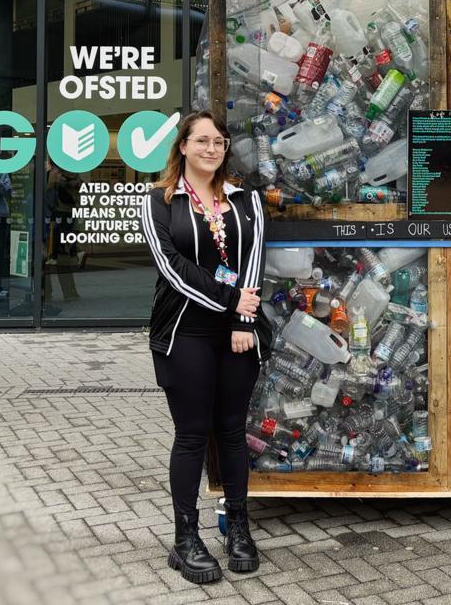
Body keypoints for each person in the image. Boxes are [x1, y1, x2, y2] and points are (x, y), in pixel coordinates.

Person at [141, 110, 272, 584]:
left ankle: (239, 527)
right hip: (184, 332)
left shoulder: (245, 200)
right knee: (193, 434)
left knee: (232, 431)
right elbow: (171, 268)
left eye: (218, 141)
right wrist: (232, 299)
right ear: (182, 147)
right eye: (201, 141)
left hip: (237, 332)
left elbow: (254, 258)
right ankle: (185, 539)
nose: (211, 148)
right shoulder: (158, 201)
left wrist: (243, 316)